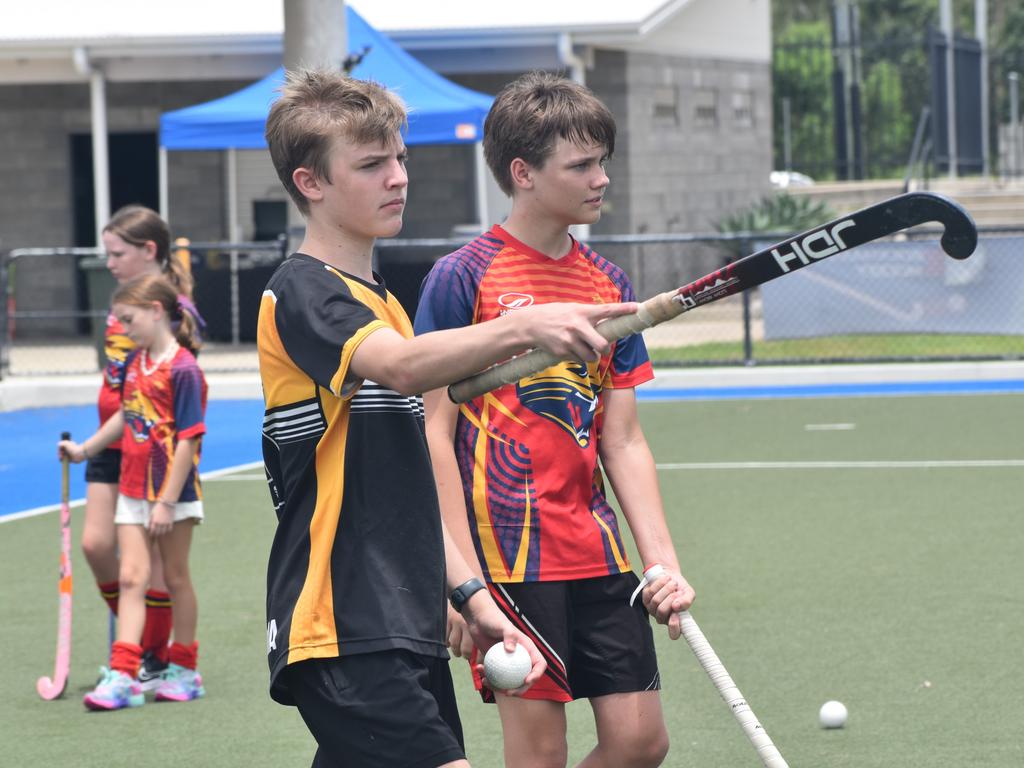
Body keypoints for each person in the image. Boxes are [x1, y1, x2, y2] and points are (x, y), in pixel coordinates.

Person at [258, 68, 639, 768]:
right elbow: (401, 367)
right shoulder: (302, 291)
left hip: (405, 622)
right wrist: (529, 327)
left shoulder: (386, 308)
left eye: (399, 159)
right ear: (311, 183)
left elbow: (409, 482)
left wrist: (469, 595)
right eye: (372, 165)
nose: (398, 177)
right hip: (342, 622)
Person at [413, 71, 696, 768]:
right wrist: (459, 581)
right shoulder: (463, 277)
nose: (602, 178)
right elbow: (431, 436)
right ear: (524, 173)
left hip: (596, 551)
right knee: (538, 756)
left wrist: (661, 562)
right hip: (506, 555)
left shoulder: (610, 286)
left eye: (603, 161)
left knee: (640, 743)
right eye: (583, 165)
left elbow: (623, 439)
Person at [59, 274, 208, 711]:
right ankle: (123, 675)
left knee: (176, 577)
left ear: (156, 311)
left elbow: (188, 438)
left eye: (129, 319)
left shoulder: (184, 369)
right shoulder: (132, 364)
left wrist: (165, 502)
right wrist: (85, 449)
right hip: (131, 487)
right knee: (130, 578)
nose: (124, 329)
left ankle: (185, 668)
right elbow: (127, 416)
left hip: (172, 493)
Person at [83, 205, 203, 689]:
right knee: (97, 546)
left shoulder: (172, 313)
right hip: (113, 438)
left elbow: (180, 406)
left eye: (117, 253)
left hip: (153, 450)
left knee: (155, 570)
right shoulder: (122, 307)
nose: (109, 263)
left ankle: (147, 657)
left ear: (147, 251)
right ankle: (141, 646)